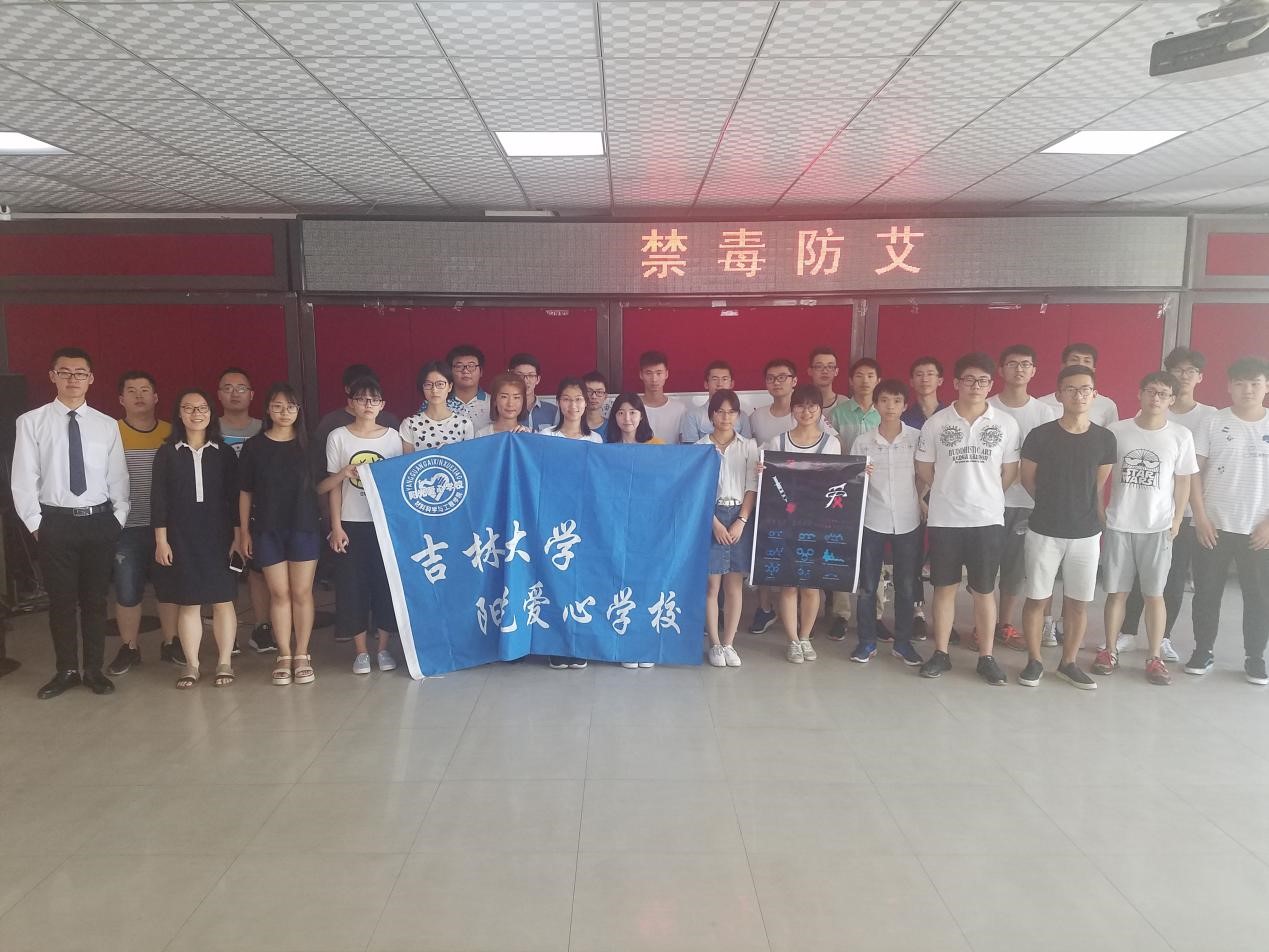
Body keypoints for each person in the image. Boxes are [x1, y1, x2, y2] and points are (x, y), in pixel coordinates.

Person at [12, 346, 129, 699]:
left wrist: (118, 519)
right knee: (61, 602)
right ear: (53, 376)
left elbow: (118, 477)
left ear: (91, 379)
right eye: (65, 372)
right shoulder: (31, 422)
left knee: (95, 601)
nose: (73, 379)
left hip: (98, 522)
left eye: (80, 373)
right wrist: (36, 524)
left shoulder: (106, 425)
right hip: (55, 523)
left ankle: (93, 669)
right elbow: (23, 478)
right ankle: (66, 670)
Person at [916, 352, 1021, 686]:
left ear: (991, 384)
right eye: (969, 380)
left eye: (983, 381)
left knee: (984, 590)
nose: (976, 386)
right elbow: (924, 467)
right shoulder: (936, 423)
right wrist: (948, 490)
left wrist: (986, 494)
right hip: (946, 519)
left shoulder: (1005, 423)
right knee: (944, 588)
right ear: (956, 383)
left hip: (987, 519)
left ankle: (986, 657)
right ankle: (941, 653)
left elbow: (1010, 471)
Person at [1017, 365, 1117, 689]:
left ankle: (1068, 662)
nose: (1078, 395)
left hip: (1086, 533)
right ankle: (1034, 661)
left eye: (1085, 389)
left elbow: (1097, 484)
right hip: (1044, 530)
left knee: (1078, 602)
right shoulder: (1040, 435)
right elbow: (1028, 479)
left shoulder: (1104, 438)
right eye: (1071, 389)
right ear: (1059, 394)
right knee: (1037, 598)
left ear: (1095, 394)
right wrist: (1052, 504)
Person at [1096, 372, 1198, 686]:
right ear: (1140, 394)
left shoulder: (1180, 435)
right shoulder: (1117, 431)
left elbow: (1183, 481)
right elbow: (1100, 475)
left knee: (1154, 594)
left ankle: (1154, 657)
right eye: (1151, 391)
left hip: (1158, 527)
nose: (1156, 398)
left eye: (1163, 394)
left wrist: (1177, 519)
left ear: (1171, 400)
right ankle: (1109, 650)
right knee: (1117, 593)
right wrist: (1100, 512)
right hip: (1120, 524)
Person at [1118, 346, 1217, 662]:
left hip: (1182, 514)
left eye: (1191, 371)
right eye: (1178, 370)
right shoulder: (1155, 407)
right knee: (1136, 576)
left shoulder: (1209, 416)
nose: (1184, 376)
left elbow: (1196, 471)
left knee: (1172, 579)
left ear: (1200, 377)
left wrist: (1195, 514)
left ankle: (1163, 638)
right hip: (1144, 510)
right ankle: (1127, 632)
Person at [1186, 356, 1269, 685]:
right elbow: (1194, 472)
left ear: (1266, 386)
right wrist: (1200, 516)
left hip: (1259, 530)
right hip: (1214, 526)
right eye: (1240, 383)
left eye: (1255, 383)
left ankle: (1255, 657)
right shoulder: (1213, 422)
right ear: (1229, 387)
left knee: (1259, 596)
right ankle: (1203, 650)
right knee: (1206, 593)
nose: (1248, 390)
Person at [152, 389, 241, 689]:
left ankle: (224, 661)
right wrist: (161, 540)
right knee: (188, 603)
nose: (196, 413)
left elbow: (235, 499)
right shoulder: (167, 453)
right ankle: (192, 664)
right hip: (180, 536)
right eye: (188, 408)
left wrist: (238, 537)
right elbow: (159, 500)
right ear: (179, 414)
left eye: (202, 408)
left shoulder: (224, 452)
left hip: (219, 536)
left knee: (223, 600)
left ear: (211, 413)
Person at [239, 383, 322, 686]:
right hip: (266, 529)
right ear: (267, 410)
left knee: (301, 592)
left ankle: (302, 653)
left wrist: (344, 475)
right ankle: (284, 654)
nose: (284, 412)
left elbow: (321, 486)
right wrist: (244, 532)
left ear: (299, 410)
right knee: (279, 593)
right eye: (277, 406)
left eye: (290, 406)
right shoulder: (254, 447)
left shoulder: (310, 445)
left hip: (304, 527)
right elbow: (245, 492)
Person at [319, 377, 402, 675]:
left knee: (385, 586)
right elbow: (332, 487)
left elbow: (397, 484)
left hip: (383, 524)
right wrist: (336, 526)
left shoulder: (393, 438)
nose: (368, 405)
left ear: (382, 405)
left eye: (374, 400)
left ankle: (383, 648)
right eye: (361, 399)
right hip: (350, 524)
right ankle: (360, 652)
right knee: (352, 587)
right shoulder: (338, 437)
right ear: (350, 403)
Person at [758, 385, 842, 661]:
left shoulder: (831, 443)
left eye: (812, 406)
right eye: (800, 406)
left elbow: (839, 481)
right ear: (792, 410)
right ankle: (792, 640)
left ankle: (806, 637)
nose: (806, 412)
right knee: (789, 583)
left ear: (820, 409)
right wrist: (760, 470)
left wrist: (860, 471)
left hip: (817, 522)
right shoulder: (777, 442)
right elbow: (767, 480)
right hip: (785, 522)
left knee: (811, 583)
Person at [106, 371, 179, 675]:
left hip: (168, 527)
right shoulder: (111, 434)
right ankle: (130, 648)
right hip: (126, 528)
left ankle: (171, 643)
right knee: (127, 590)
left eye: (145, 390)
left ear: (156, 397)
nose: (139, 396)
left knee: (169, 588)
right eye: (131, 391)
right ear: (121, 399)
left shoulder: (172, 432)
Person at [986, 345, 1058, 652]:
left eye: (1025, 364)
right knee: (984, 567)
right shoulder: (986, 406)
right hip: (987, 503)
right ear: (1001, 370)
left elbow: (1049, 459)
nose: (1019, 369)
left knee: (1014, 570)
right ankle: (982, 625)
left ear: (1034, 371)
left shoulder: (1044, 413)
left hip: (1026, 502)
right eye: (1012, 364)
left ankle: (1003, 624)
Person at [849, 379, 924, 668]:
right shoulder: (863, 441)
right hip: (873, 518)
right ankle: (866, 641)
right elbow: (854, 480)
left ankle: (903, 643)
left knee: (905, 585)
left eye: (896, 401)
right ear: (876, 404)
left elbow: (924, 474)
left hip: (908, 519)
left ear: (905, 405)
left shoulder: (917, 438)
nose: (890, 406)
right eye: (884, 400)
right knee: (868, 585)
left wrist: (920, 500)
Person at [540, 378, 602, 670]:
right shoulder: (546, 435)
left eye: (578, 399)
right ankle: (557, 644)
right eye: (566, 399)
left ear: (586, 403)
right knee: (556, 580)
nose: (573, 405)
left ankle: (579, 643)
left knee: (582, 581)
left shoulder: (595, 440)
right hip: (553, 517)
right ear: (559, 402)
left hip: (585, 519)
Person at [748, 357, 809, 635]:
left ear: (794, 381)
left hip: (803, 499)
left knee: (799, 555)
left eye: (783, 377)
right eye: (771, 378)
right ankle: (765, 608)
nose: (777, 382)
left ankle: (800, 614)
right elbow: (751, 453)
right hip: (767, 496)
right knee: (765, 550)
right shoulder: (757, 416)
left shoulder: (806, 412)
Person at [602, 392, 662, 668]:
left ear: (642, 416)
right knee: (619, 581)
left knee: (645, 582)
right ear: (614, 417)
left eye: (633, 412)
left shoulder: (658, 447)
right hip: (614, 526)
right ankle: (623, 643)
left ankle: (644, 644)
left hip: (648, 526)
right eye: (621, 412)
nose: (627, 418)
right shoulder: (605, 449)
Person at [699, 388, 758, 668]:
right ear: (711, 415)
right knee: (712, 585)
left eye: (731, 412)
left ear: (738, 416)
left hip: (739, 516)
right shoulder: (700, 446)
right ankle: (714, 643)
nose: (725, 417)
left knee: (734, 584)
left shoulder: (748, 446)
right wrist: (714, 523)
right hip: (710, 515)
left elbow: (752, 486)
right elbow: (697, 491)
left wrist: (741, 521)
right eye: (720, 412)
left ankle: (729, 643)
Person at [216, 367, 272, 656]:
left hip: (258, 510)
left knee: (259, 571)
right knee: (225, 571)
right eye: (228, 388)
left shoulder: (264, 429)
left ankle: (262, 628)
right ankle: (229, 633)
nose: (234, 393)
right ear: (218, 395)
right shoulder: (208, 428)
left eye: (241, 388)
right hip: (219, 510)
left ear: (251, 395)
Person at [900, 356, 947, 640]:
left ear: (941, 380)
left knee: (943, 558)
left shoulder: (951, 415)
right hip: (915, 495)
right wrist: (919, 498)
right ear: (911, 380)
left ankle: (944, 616)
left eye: (930, 373)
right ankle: (917, 612)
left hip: (946, 496)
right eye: (919, 374)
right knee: (913, 556)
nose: (925, 378)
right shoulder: (905, 418)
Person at [1039, 342, 1120, 427]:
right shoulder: (1043, 404)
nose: (1080, 364)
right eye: (1074, 360)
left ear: (1093, 369)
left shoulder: (1107, 405)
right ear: (1063, 366)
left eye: (1087, 361)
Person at [400, 361, 474, 451]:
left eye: (440, 384)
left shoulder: (464, 424)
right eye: (428, 384)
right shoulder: (410, 424)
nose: (434, 390)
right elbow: (409, 459)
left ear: (450, 387)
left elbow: (468, 457)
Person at [680, 361, 754, 443]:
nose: (719, 384)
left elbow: (747, 446)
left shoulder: (742, 416)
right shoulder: (693, 416)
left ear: (731, 384)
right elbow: (691, 449)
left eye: (724, 379)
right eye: (715, 379)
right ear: (706, 384)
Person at [829, 357, 882, 451]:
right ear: (851, 381)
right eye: (859, 376)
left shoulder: (884, 412)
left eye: (870, 376)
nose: (865, 381)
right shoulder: (837, 414)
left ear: (878, 381)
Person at [638, 350, 686, 443]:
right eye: (648, 373)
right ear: (641, 374)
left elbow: (684, 443)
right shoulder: (633, 408)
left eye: (659, 373)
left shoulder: (679, 409)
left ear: (666, 374)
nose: (654, 379)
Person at [445, 344, 491, 431]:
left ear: (481, 372)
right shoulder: (439, 402)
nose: (465, 371)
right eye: (459, 366)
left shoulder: (492, 403)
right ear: (450, 371)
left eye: (471, 366)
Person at [508, 353, 558, 431]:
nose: (525, 381)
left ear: (538, 379)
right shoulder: (507, 409)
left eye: (531, 375)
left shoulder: (553, 411)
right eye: (519, 375)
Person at [808, 346, 847, 422]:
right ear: (810, 371)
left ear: (836, 371)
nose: (825, 371)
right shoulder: (799, 402)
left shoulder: (844, 403)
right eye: (819, 366)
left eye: (830, 366)